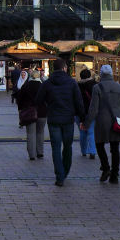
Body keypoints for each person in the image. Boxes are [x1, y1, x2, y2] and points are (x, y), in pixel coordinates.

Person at [35, 58, 85, 187]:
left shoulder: (47, 83)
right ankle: (65, 171)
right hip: (68, 119)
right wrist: (83, 118)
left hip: (53, 119)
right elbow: (79, 102)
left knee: (55, 148)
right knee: (67, 147)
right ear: (64, 68)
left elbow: (38, 100)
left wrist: (48, 106)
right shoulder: (72, 82)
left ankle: (59, 176)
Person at [83, 64, 120, 184]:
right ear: (111, 74)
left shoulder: (97, 88)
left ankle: (105, 167)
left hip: (102, 121)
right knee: (115, 149)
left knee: (99, 145)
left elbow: (93, 108)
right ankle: (115, 175)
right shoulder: (119, 87)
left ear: (102, 75)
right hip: (117, 121)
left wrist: (87, 122)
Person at [15, 68, 47, 161]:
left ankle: (32, 155)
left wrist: (20, 109)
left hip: (29, 113)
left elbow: (19, 99)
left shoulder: (26, 85)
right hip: (42, 112)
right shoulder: (43, 86)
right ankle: (40, 152)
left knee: (30, 133)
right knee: (40, 132)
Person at [76, 68, 97, 159]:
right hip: (91, 112)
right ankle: (92, 151)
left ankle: (83, 151)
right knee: (91, 132)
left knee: (82, 132)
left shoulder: (76, 86)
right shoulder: (95, 85)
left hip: (79, 112)